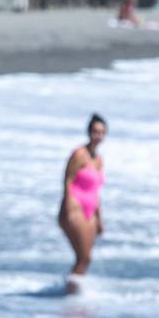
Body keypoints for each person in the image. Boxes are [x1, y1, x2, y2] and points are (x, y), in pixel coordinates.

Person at [59, 114, 107, 292]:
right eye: (95, 132)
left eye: (102, 133)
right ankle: (69, 293)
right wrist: (68, 209)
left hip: (91, 210)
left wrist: (99, 218)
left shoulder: (99, 159)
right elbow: (68, 181)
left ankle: (73, 291)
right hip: (76, 207)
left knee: (85, 258)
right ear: (89, 132)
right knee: (83, 257)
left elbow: (96, 191)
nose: (98, 136)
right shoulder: (79, 154)